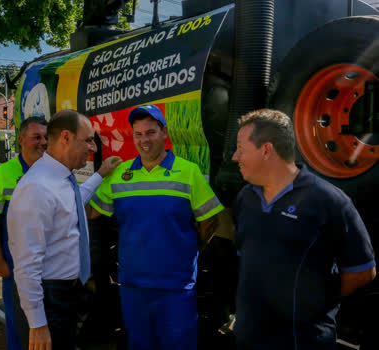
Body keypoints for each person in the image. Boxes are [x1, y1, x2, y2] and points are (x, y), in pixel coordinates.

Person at [231, 109, 376, 350]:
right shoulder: (245, 198)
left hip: (302, 342)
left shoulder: (329, 201)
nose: (235, 156)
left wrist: (315, 300)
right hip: (249, 338)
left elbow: (363, 271)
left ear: (267, 150)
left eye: (241, 149)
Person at [87, 104, 225, 349]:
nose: (144, 140)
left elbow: (210, 220)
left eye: (150, 132)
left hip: (176, 286)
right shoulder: (121, 174)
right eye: (138, 134)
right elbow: (90, 212)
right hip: (133, 286)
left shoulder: (188, 172)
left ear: (164, 132)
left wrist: (190, 248)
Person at [7, 109, 121, 350]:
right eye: (89, 139)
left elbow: (73, 202)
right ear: (66, 137)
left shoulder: (59, 180)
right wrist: (37, 324)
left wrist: (100, 175)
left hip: (63, 294)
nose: (94, 148)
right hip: (49, 298)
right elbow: (27, 264)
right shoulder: (37, 187)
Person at [0, 116, 47, 350]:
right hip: (17, 270)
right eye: (37, 137)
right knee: (20, 328)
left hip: (52, 269)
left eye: (46, 137)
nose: (43, 142)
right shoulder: (3, 174)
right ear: (22, 139)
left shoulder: (56, 171)